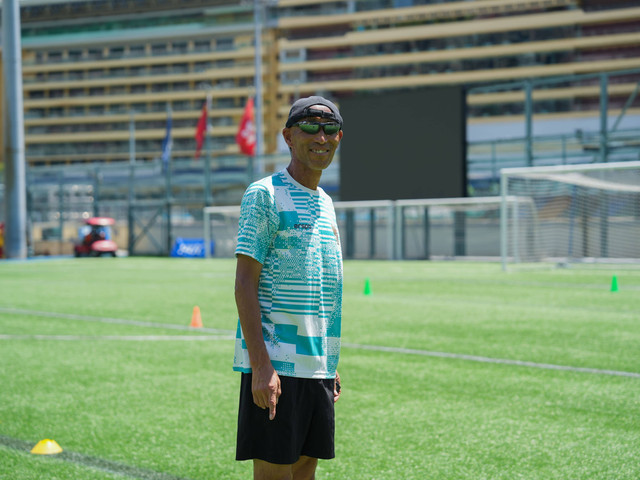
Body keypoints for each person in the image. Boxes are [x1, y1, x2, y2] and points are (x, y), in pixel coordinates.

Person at [233, 96, 344, 480]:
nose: (321, 136)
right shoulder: (264, 194)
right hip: (276, 365)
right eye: (310, 127)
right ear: (288, 137)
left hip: (317, 368)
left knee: (305, 473)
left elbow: (322, 287)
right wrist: (261, 365)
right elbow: (244, 283)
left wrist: (329, 362)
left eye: (330, 129)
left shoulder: (327, 204)